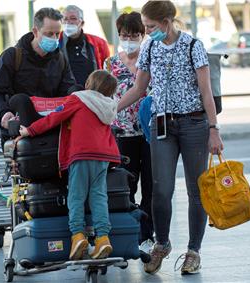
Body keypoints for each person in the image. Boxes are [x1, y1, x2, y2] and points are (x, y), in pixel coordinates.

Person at [117, 0, 224, 275]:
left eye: (151, 26)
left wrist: (214, 129)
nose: (147, 31)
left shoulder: (192, 45)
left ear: (166, 22)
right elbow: (140, 87)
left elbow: (205, 90)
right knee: (161, 190)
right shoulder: (150, 47)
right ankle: (162, 244)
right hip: (161, 124)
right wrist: (109, 108)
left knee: (196, 190)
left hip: (194, 124)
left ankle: (193, 251)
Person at [19, 70, 120, 260]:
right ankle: (103, 238)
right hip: (103, 156)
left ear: (89, 83)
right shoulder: (109, 105)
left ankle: (78, 235)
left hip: (81, 154)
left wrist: (30, 130)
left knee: (76, 196)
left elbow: (53, 118)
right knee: (98, 196)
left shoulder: (78, 99)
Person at [0, 8, 75, 144]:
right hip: (20, 132)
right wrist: (3, 113)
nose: (54, 39)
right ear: (35, 31)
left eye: (57, 34)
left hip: (52, 131)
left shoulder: (60, 59)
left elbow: (67, 92)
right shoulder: (12, 56)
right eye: (49, 34)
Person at [104, 12, 154, 255]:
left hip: (151, 131)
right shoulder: (110, 63)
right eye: (125, 35)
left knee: (152, 186)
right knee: (126, 184)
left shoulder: (151, 58)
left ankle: (147, 235)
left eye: (134, 35)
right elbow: (103, 95)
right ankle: (127, 232)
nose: (129, 40)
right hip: (122, 132)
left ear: (142, 35)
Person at [59, 5, 110, 86]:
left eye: (73, 18)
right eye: (65, 19)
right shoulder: (56, 42)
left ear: (82, 23)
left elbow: (107, 70)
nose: (68, 22)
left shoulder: (99, 43)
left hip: (92, 94)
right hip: (65, 95)